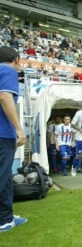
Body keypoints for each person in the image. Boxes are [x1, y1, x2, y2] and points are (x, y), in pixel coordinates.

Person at [0, 46, 28, 232]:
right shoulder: (7, 70)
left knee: (5, 177)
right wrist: (19, 129)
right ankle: (3, 220)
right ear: (16, 59)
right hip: (3, 133)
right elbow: (4, 97)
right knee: (3, 176)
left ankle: (6, 215)